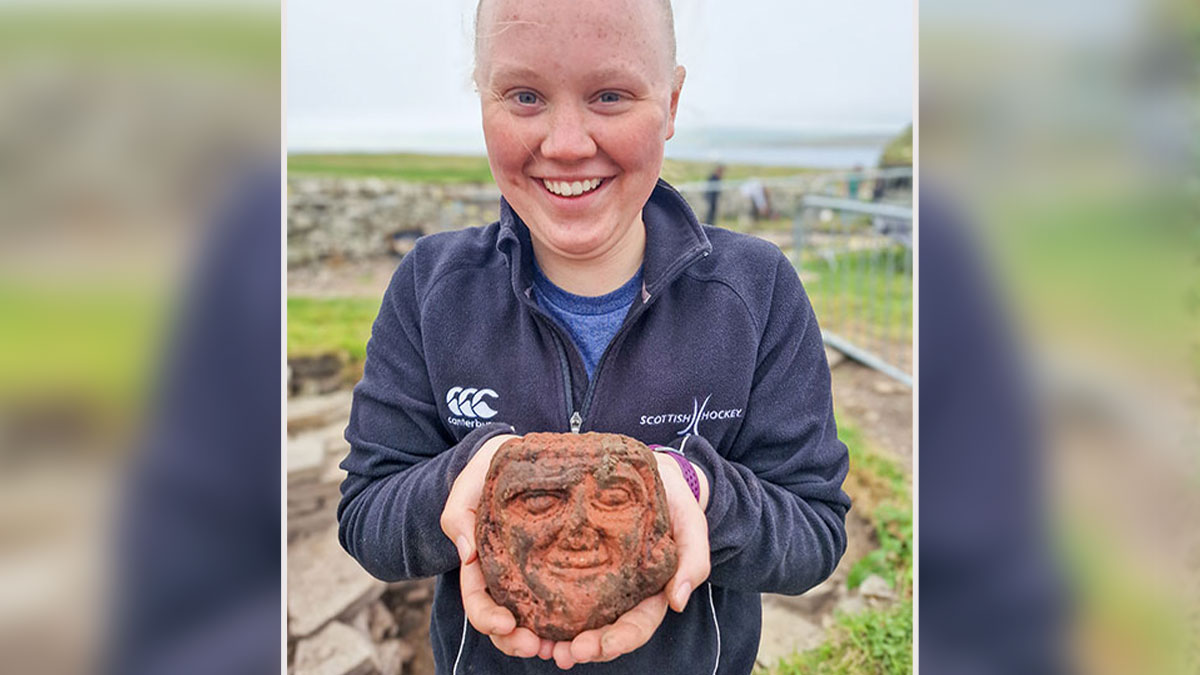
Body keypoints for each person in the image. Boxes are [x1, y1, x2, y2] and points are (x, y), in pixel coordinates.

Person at [336, 0, 850, 673]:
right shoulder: (432, 288)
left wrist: (696, 491)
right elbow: (366, 511)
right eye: (525, 96)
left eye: (610, 95)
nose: (567, 144)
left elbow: (815, 526)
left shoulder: (758, 291)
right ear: (482, 98)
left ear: (671, 102)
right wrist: (471, 477)